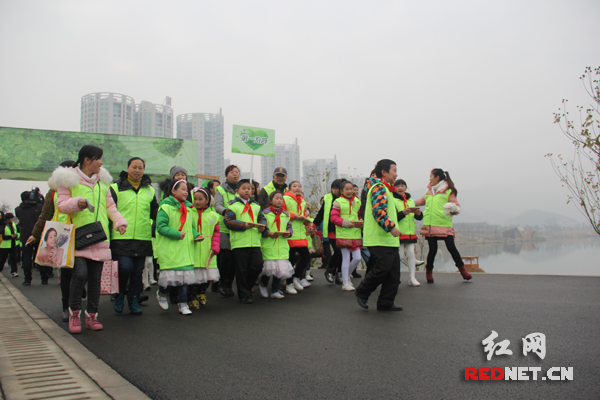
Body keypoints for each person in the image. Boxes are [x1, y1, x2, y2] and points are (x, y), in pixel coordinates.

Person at [53, 145, 128, 333]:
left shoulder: (103, 183)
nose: (101, 162)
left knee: (95, 279)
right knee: (79, 275)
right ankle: (74, 313)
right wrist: (75, 203)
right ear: (87, 160)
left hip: (100, 237)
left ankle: (92, 315)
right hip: (77, 237)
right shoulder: (68, 180)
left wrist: (119, 222)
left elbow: (110, 207)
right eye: (99, 158)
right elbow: (61, 205)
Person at [28, 160, 77, 321]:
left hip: (82, 233)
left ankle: (76, 297)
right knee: (67, 271)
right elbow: (45, 214)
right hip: (62, 235)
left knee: (81, 270)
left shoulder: (82, 187)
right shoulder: (54, 191)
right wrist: (35, 234)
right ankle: (66, 306)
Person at [110, 157, 158, 316]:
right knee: (124, 268)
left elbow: (154, 213)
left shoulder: (150, 190)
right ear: (128, 168)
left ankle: (133, 299)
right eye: (134, 167)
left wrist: (152, 228)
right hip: (121, 236)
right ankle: (119, 294)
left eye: (140, 168)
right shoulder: (116, 188)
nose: (137, 171)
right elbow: (109, 211)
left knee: (138, 271)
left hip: (142, 237)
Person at [355, 159, 403, 311]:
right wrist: (391, 227)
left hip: (389, 239)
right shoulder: (379, 187)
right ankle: (362, 291)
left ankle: (385, 302)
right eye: (394, 170)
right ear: (384, 172)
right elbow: (379, 211)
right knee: (382, 268)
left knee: (393, 274)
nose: (396, 174)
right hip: (379, 238)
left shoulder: (387, 189)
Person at [415, 169, 472, 283]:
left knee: (451, 247)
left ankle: (463, 271)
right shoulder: (429, 192)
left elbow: (456, 205)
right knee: (433, 250)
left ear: (437, 177)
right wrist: (406, 201)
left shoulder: (448, 191)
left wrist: (455, 209)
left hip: (444, 225)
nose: (429, 178)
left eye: (431, 176)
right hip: (430, 226)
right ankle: (429, 273)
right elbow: (420, 202)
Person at [155, 179, 202, 315]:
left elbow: (190, 227)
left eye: (187, 190)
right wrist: (176, 234)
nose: (185, 192)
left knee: (184, 280)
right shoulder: (165, 207)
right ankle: (162, 293)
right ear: (173, 191)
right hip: (170, 249)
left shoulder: (188, 208)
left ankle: (183, 304)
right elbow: (161, 227)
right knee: (169, 278)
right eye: (182, 189)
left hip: (185, 249)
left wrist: (196, 235)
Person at [223, 179, 266, 304]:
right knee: (241, 270)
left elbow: (262, 219)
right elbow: (228, 222)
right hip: (240, 243)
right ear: (237, 191)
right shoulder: (232, 206)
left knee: (257, 266)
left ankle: (247, 287)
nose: (247, 190)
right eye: (244, 188)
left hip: (255, 242)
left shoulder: (256, 206)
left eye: (250, 188)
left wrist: (262, 225)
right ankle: (244, 294)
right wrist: (243, 225)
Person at [188, 187, 220, 309]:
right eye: (195, 199)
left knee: (206, 277)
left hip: (208, 250)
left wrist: (215, 247)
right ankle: (191, 297)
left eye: (200, 199)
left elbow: (216, 233)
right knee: (194, 278)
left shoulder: (213, 215)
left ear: (207, 200)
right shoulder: (189, 212)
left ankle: (201, 294)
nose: (197, 202)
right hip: (193, 249)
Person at [258, 191, 293, 299]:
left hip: (281, 246)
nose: (279, 200)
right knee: (268, 270)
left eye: (281, 199)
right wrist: (268, 233)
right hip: (269, 245)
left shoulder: (286, 215)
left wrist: (289, 233)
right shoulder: (265, 213)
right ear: (270, 201)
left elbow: (289, 227)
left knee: (279, 270)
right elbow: (262, 228)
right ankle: (263, 285)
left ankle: (275, 291)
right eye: (276, 198)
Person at [331, 180, 363, 291]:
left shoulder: (357, 201)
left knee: (357, 258)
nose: (350, 191)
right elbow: (333, 218)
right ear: (341, 191)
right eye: (347, 189)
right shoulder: (338, 202)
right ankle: (345, 282)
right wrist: (347, 223)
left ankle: (346, 275)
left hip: (355, 233)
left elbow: (359, 215)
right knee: (345, 258)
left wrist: (361, 221)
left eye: (351, 189)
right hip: (343, 233)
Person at [214, 165, 240, 298]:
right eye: (232, 172)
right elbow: (217, 205)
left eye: (237, 172)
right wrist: (226, 212)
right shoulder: (221, 189)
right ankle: (222, 283)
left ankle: (229, 283)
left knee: (235, 258)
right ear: (226, 175)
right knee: (226, 256)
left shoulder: (241, 189)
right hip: (224, 227)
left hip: (238, 228)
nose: (235, 174)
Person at [282, 181, 312, 294]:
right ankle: (289, 283)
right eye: (294, 186)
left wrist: (307, 223)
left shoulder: (302, 200)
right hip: (290, 233)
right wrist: (292, 216)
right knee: (290, 260)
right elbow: (282, 212)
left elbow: (303, 214)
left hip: (301, 233)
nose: (297, 188)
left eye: (299, 186)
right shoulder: (285, 198)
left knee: (306, 257)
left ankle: (295, 277)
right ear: (289, 189)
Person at [313, 179, 345, 284]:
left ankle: (339, 273)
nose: (335, 190)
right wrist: (314, 226)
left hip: (343, 230)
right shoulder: (327, 198)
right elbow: (321, 213)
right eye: (333, 188)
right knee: (338, 251)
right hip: (331, 230)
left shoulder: (346, 199)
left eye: (337, 188)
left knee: (343, 253)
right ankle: (330, 270)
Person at [393, 179, 424, 287]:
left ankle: (412, 278)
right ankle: (393, 277)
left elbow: (418, 218)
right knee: (400, 256)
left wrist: (419, 213)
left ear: (406, 187)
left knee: (411, 253)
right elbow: (393, 217)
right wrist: (403, 213)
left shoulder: (411, 200)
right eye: (398, 186)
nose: (400, 188)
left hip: (410, 232)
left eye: (403, 185)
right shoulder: (393, 200)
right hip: (398, 232)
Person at [15, 189, 45, 284]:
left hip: (25, 236)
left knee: (26, 258)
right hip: (38, 235)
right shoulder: (39, 207)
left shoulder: (18, 209)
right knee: (41, 257)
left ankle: (27, 279)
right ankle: (44, 278)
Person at [0, 213, 19, 277]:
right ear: (7, 219)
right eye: (10, 218)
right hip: (4, 245)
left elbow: (16, 232)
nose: (12, 220)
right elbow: (3, 236)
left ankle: (14, 271)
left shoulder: (13, 224)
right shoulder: (3, 225)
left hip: (13, 244)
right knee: (2, 259)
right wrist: (10, 237)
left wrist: (16, 236)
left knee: (13, 258)